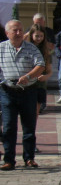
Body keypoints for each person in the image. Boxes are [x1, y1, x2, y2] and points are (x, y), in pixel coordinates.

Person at [0, 20, 46, 170]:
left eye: (20, 30)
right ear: (7, 33)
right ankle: (9, 160)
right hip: (8, 91)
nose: (19, 33)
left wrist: (28, 76)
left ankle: (29, 158)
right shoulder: (1, 48)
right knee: (8, 127)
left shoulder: (31, 48)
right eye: (15, 30)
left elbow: (41, 65)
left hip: (28, 91)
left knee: (29, 127)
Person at [26, 25, 53, 116]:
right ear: (31, 35)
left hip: (40, 84)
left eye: (41, 36)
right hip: (28, 83)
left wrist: (46, 76)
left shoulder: (45, 50)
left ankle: (33, 129)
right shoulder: (26, 48)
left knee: (35, 112)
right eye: (37, 36)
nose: (39, 38)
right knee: (27, 111)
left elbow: (49, 70)